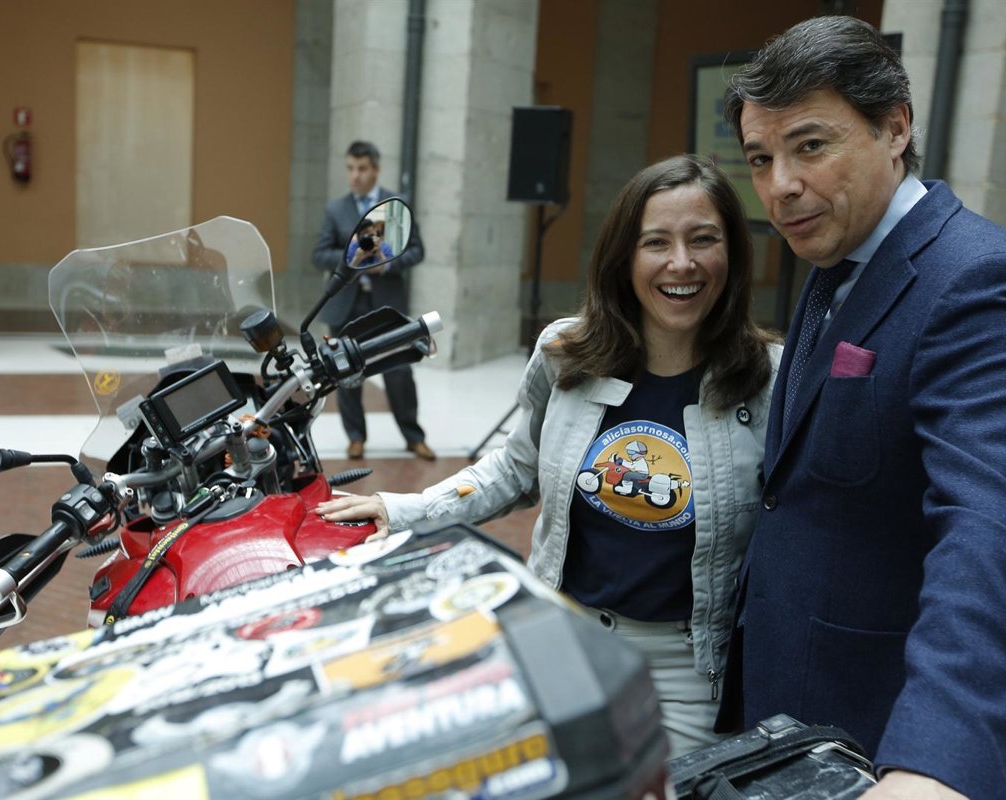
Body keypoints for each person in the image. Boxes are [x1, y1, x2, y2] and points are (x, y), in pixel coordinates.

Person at [318, 154, 782, 757]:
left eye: (703, 239)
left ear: (733, 254)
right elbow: (517, 468)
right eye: (656, 242)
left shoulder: (771, 381)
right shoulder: (567, 351)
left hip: (688, 671)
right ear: (623, 256)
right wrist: (406, 509)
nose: (681, 262)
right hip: (564, 635)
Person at [716, 16, 1006, 799]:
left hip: (886, 734)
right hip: (786, 712)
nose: (779, 186)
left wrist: (937, 758)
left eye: (810, 145)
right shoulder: (837, 255)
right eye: (761, 159)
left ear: (895, 128)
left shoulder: (978, 279)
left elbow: (989, 527)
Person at [312, 140, 434, 461]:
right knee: (347, 373)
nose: (355, 175)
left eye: (362, 168)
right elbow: (319, 255)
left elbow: (417, 250)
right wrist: (355, 254)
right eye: (350, 168)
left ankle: (413, 436)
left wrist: (387, 263)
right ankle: (356, 437)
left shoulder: (397, 205)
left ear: (376, 169)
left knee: (400, 372)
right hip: (346, 305)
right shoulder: (335, 210)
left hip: (387, 302)